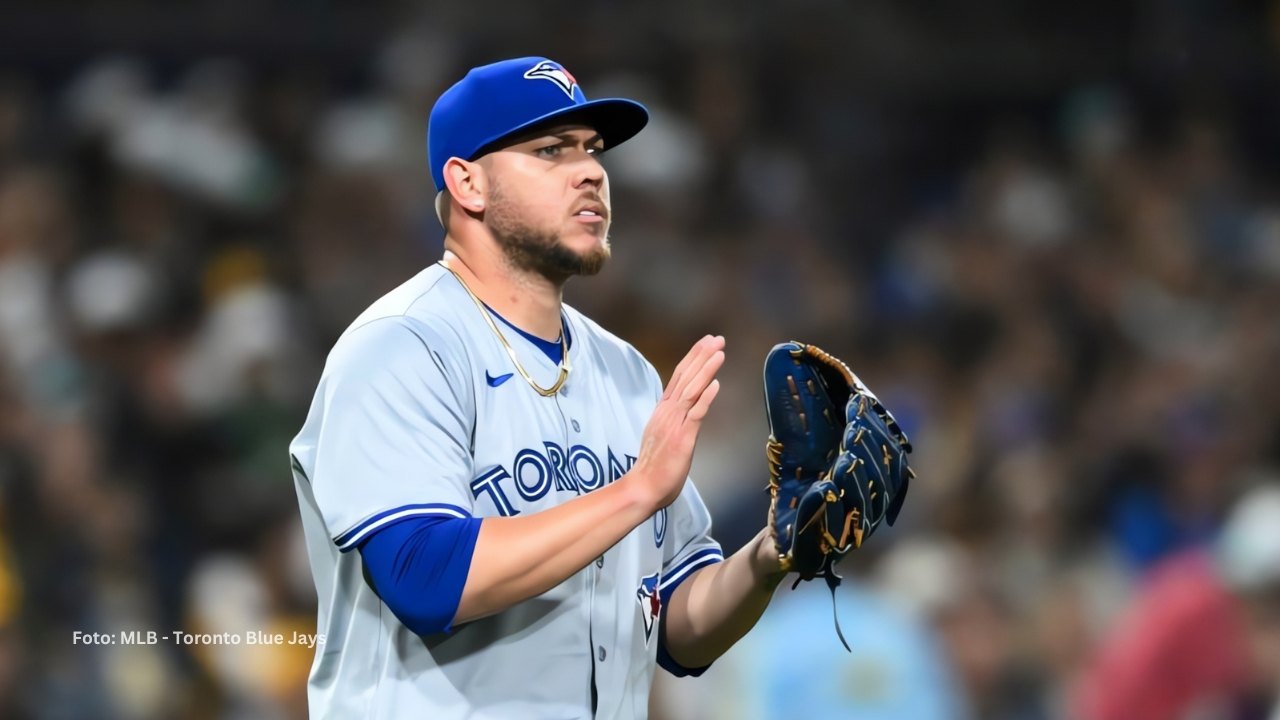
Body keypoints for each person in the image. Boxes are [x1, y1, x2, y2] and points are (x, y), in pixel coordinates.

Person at [288, 56, 794, 719]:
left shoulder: (626, 372)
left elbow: (676, 628)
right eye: (550, 150)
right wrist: (637, 492)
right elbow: (425, 577)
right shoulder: (402, 345)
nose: (590, 171)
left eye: (592, 149)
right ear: (466, 182)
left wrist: (773, 552)